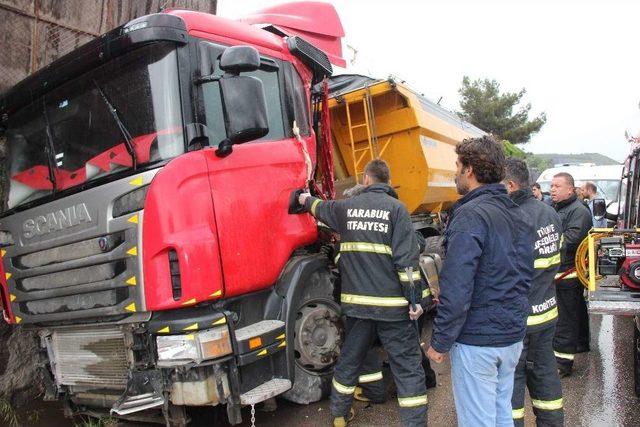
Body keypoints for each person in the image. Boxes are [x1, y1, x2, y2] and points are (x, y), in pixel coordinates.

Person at [298, 159, 428, 427]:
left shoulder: (346, 208)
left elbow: (319, 208)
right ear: (387, 182)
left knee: (349, 362)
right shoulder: (397, 210)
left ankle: (338, 416)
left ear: (366, 179)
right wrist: (414, 301)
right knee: (408, 370)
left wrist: (302, 198)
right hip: (392, 309)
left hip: (357, 308)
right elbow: (407, 263)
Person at [426, 136, 533, 427]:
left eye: (458, 165)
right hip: (511, 336)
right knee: (501, 415)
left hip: (479, 340)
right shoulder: (516, 212)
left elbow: (459, 286)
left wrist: (440, 342)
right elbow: (523, 275)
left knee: (478, 421)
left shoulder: (470, 215)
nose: (455, 172)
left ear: (470, 170)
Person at [339, 185, 437, 405]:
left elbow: (415, 246)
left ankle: (413, 384)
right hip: (406, 298)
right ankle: (422, 381)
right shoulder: (392, 218)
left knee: (402, 347)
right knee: (408, 345)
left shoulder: (388, 220)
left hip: (407, 299)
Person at [504, 159, 564, 427]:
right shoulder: (549, 213)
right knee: (545, 374)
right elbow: (556, 259)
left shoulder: (513, 216)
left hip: (519, 319)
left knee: (512, 384)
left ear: (511, 185)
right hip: (546, 312)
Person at [550, 172, 593, 376]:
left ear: (570, 189)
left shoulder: (579, 211)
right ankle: (580, 343)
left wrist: (546, 244)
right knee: (574, 311)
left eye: (557, 186)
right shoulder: (558, 208)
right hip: (561, 271)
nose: (552, 189)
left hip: (569, 273)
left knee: (566, 317)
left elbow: (572, 238)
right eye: (552, 186)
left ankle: (562, 363)